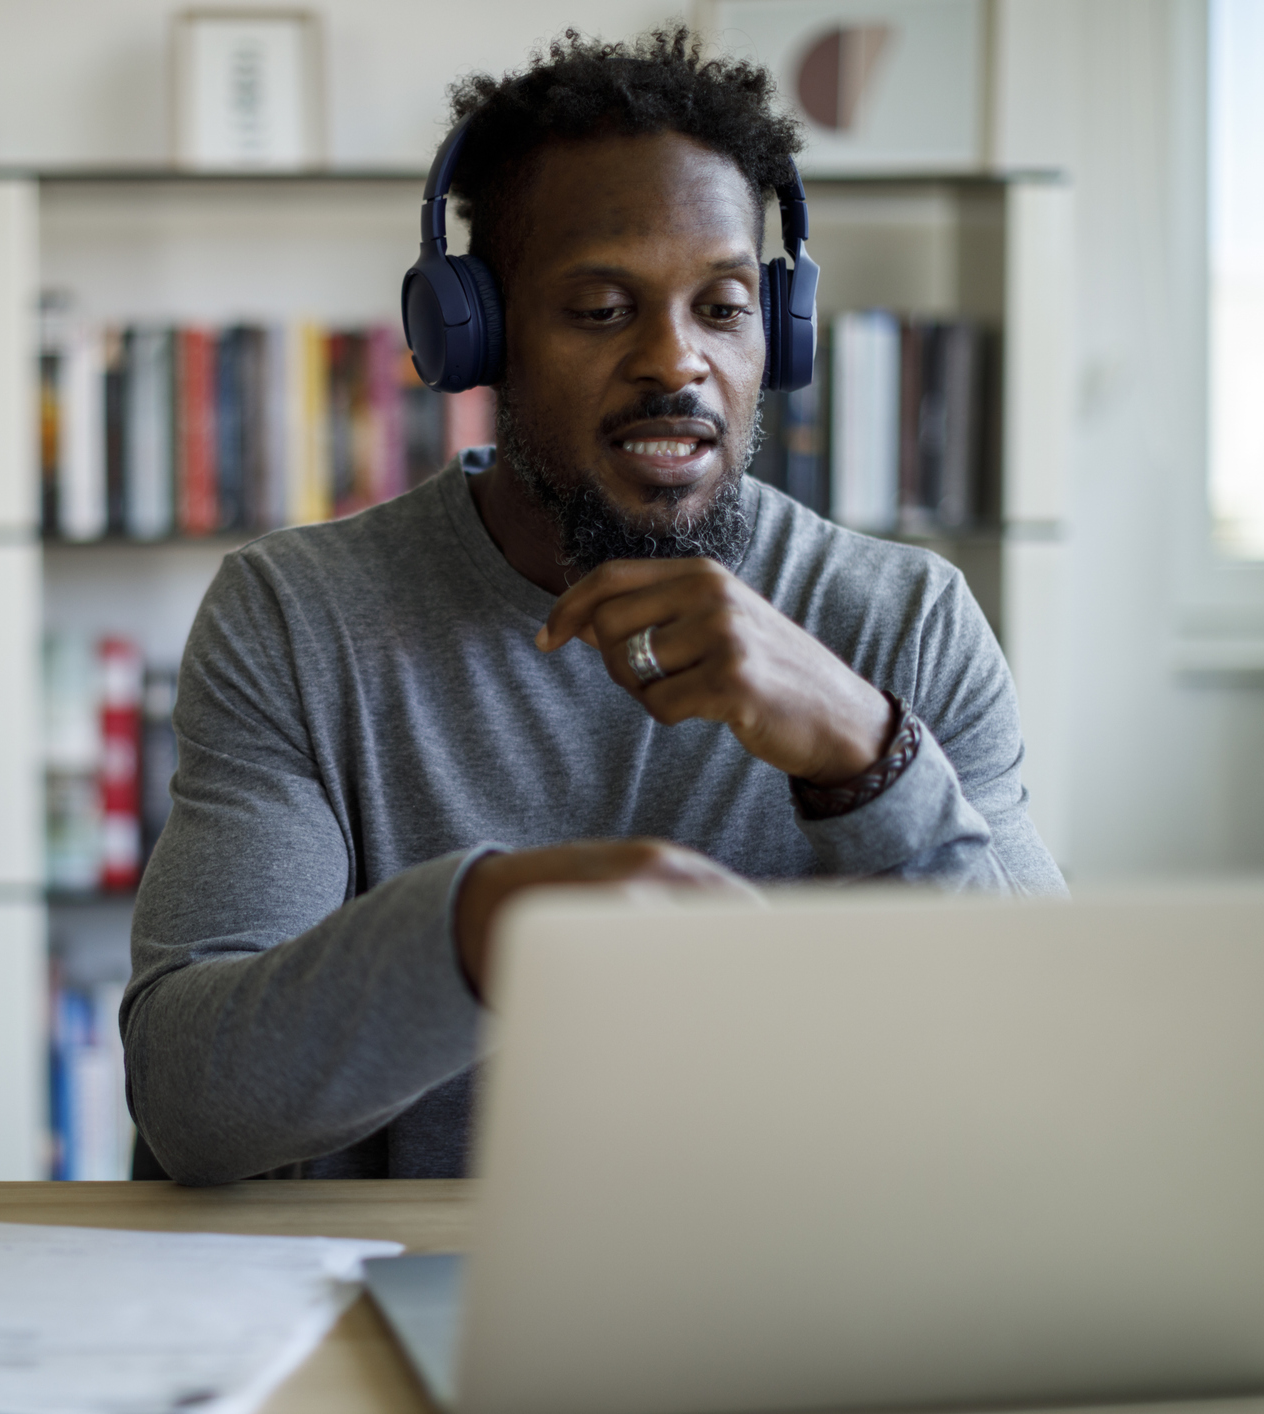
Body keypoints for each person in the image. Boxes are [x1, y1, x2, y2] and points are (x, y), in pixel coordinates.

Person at [122, 27, 1066, 1185]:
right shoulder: (298, 619)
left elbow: (1047, 1068)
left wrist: (866, 755)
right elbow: (192, 1105)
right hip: (416, 1300)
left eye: (722, 307)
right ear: (474, 334)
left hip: (815, 1294)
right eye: (603, 309)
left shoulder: (905, 617)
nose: (676, 364)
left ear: (781, 329)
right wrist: (483, 926)